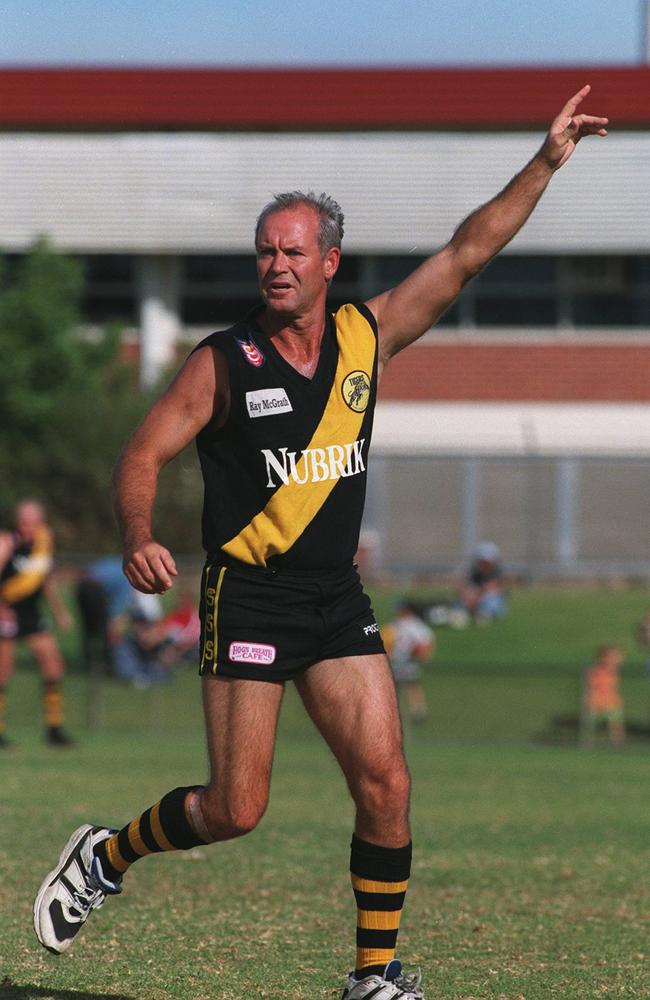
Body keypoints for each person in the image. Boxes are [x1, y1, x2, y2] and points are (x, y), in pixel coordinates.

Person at [33, 88, 607, 998]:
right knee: (236, 809)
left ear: (329, 261)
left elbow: (466, 255)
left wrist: (544, 162)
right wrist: (138, 532)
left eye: (292, 251)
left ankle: (373, 977)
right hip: (248, 593)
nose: (275, 265)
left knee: (387, 785)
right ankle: (107, 854)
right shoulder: (224, 361)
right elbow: (141, 453)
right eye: (264, 251)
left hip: (334, 599)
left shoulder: (365, 339)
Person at [0, 499, 74, 748]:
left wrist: (60, 612)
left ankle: (54, 729)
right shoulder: (7, 542)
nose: (26, 527)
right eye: (22, 522)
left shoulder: (43, 544)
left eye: (31, 522)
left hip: (31, 613)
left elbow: (46, 581)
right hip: (6, 611)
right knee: (3, 672)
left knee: (53, 665)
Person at [383, 601, 435, 723]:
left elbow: (422, 645)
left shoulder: (411, 625)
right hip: (400, 661)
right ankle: (411, 712)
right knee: (404, 687)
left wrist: (420, 654)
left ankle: (415, 712)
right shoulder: (401, 624)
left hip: (405, 661)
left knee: (409, 686)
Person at [580, 644, 626, 748]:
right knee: (589, 724)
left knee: (615, 724)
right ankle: (587, 743)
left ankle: (618, 744)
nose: (615, 659)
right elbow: (589, 686)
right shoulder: (595, 671)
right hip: (595, 700)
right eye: (611, 656)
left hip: (611, 700)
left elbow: (619, 660)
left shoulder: (612, 670)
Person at [460, 541, 507, 623]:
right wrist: (467, 595)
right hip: (475, 598)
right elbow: (466, 586)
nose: (484, 565)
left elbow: (490, 587)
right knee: (461, 603)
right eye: (482, 562)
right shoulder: (475, 572)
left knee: (491, 601)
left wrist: (476, 597)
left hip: (489, 600)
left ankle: (484, 614)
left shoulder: (496, 572)